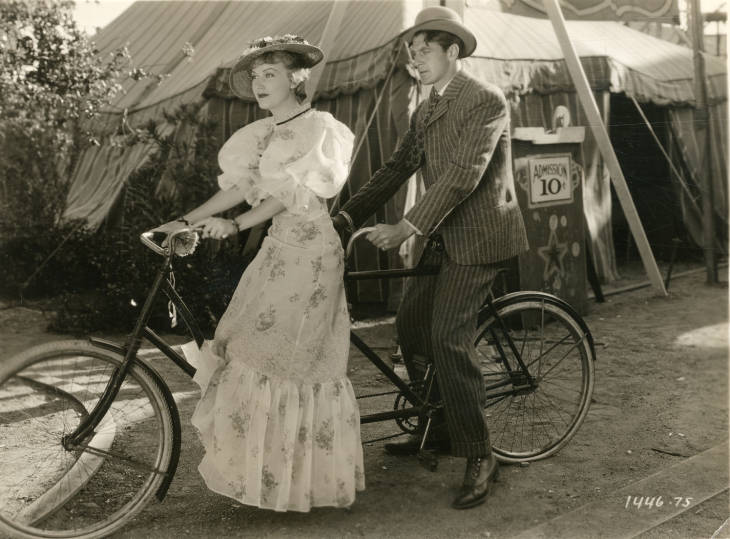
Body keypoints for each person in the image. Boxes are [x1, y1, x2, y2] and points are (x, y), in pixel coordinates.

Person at [155, 34, 364, 512]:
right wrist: (183, 220)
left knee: (283, 359)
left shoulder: (317, 128)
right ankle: (269, 479)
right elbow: (241, 189)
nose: (259, 83)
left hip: (312, 251)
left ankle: (296, 484)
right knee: (240, 343)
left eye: (270, 74)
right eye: (255, 76)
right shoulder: (262, 134)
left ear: (296, 78)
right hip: (279, 247)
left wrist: (238, 224)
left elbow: (291, 195)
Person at [332, 7, 528, 510]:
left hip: (480, 236)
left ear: (452, 51)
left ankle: (481, 453)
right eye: (410, 51)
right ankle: (442, 426)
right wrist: (347, 217)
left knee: (447, 337)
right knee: (413, 327)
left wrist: (407, 225)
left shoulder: (485, 100)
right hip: (442, 235)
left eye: (424, 50)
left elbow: (463, 174)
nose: (414, 58)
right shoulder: (425, 107)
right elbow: (399, 166)